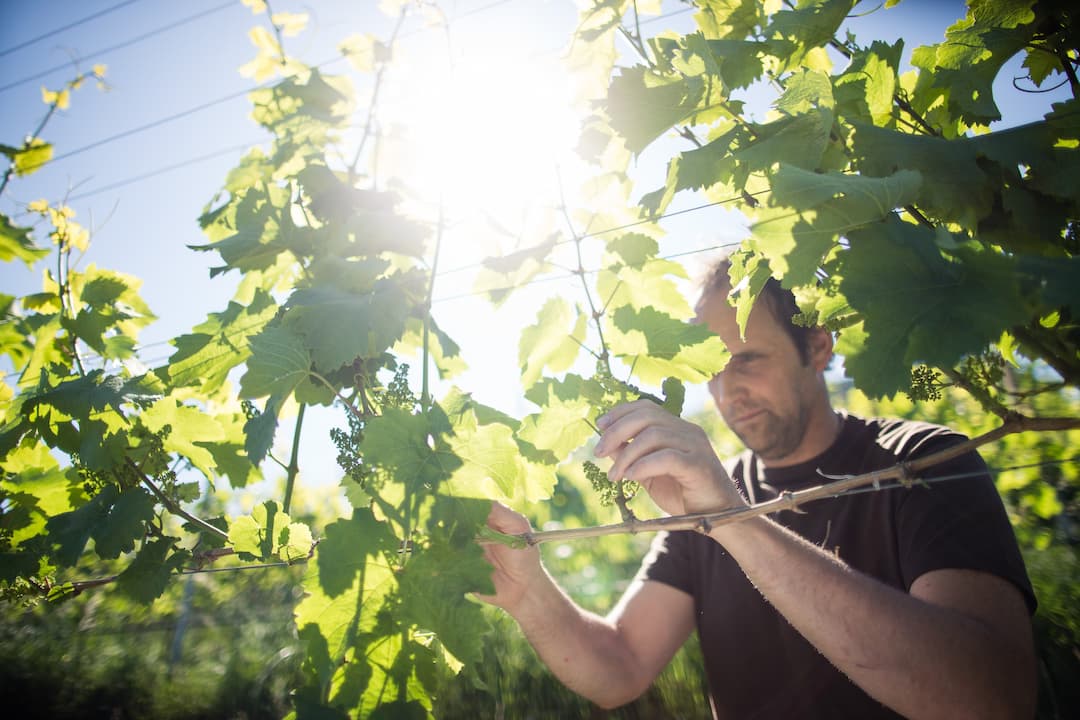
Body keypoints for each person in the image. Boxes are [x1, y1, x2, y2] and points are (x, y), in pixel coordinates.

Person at [479, 259, 1037, 719]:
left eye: (746, 359)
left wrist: (731, 520)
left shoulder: (921, 461)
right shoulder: (706, 497)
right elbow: (620, 668)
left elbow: (991, 702)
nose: (728, 391)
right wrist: (529, 594)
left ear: (818, 347)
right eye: (713, 369)